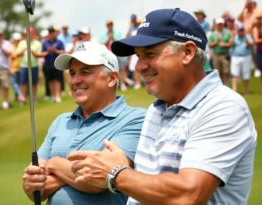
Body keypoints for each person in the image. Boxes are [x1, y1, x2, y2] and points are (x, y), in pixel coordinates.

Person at [67, 8, 257, 205]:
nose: (139, 66)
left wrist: (116, 175)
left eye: (149, 54)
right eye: (138, 57)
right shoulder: (157, 109)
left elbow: (188, 195)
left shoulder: (223, 107)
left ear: (187, 53)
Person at [22, 42, 145, 205]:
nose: (75, 80)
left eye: (85, 72)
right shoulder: (60, 122)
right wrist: (31, 184)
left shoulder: (136, 119)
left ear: (112, 78)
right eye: (72, 73)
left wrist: (54, 163)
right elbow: (38, 190)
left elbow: (98, 179)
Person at [100, 20, 133, 91]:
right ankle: (114, 84)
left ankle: (122, 84)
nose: (110, 26)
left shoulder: (117, 33)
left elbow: (120, 42)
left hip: (117, 53)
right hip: (108, 55)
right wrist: (108, 40)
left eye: (111, 24)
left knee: (121, 69)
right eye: (109, 25)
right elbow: (101, 45)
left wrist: (113, 39)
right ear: (107, 26)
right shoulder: (103, 35)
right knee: (110, 70)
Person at [37, 26, 65, 103]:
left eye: (52, 32)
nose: (51, 34)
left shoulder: (59, 42)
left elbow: (63, 52)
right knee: (50, 80)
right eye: (50, 33)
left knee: (57, 80)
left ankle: (58, 96)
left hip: (57, 62)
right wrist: (48, 52)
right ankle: (53, 96)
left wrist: (55, 50)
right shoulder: (45, 43)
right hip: (48, 63)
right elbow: (42, 53)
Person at [16, 28, 41, 105]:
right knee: (23, 83)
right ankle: (23, 98)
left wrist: (32, 51)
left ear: (33, 34)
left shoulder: (37, 43)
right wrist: (24, 49)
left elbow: (38, 55)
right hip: (23, 66)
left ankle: (34, 97)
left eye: (30, 34)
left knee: (34, 83)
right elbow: (17, 54)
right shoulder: (22, 43)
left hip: (33, 65)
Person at [208, 17, 233, 85]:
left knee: (226, 72)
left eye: (221, 24)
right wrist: (216, 41)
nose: (220, 25)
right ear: (216, 25)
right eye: (219, 24)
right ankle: (220, 85)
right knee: (218, 72)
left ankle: (226, 85)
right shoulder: (213, 34)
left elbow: (231, 43)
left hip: (225, 54)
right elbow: (209, 45)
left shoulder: (228, 32)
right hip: (216, 55)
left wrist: (224, 44)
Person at [230, 24, 254, 95]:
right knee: (235, 73)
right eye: (240, 30)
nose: (241, 32)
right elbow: (230, 44)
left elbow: (251, 44)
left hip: (246, 57)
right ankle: (234, 89)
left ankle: (245, 90)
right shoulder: (235, 37)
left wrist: (245, 37)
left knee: (246, 74)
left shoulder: (247, 36)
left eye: (242, 30)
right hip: (236, 57)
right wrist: (233, 36)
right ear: (237, 31)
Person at [10, 32, 22, 102]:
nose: (17, 41)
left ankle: (19, 96)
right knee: (14, 83)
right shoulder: (11, 47)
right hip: (13, 68)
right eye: (16, 40)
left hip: (20, 68)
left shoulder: (21, 46)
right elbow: (12, 57)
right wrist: (11, 68)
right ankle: (19, 95)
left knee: (19, 83)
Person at [253, 12, 262, 83]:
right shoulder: (256, 29)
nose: (260, 20)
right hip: (259, 52)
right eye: (258, 19)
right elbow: (256, 40)